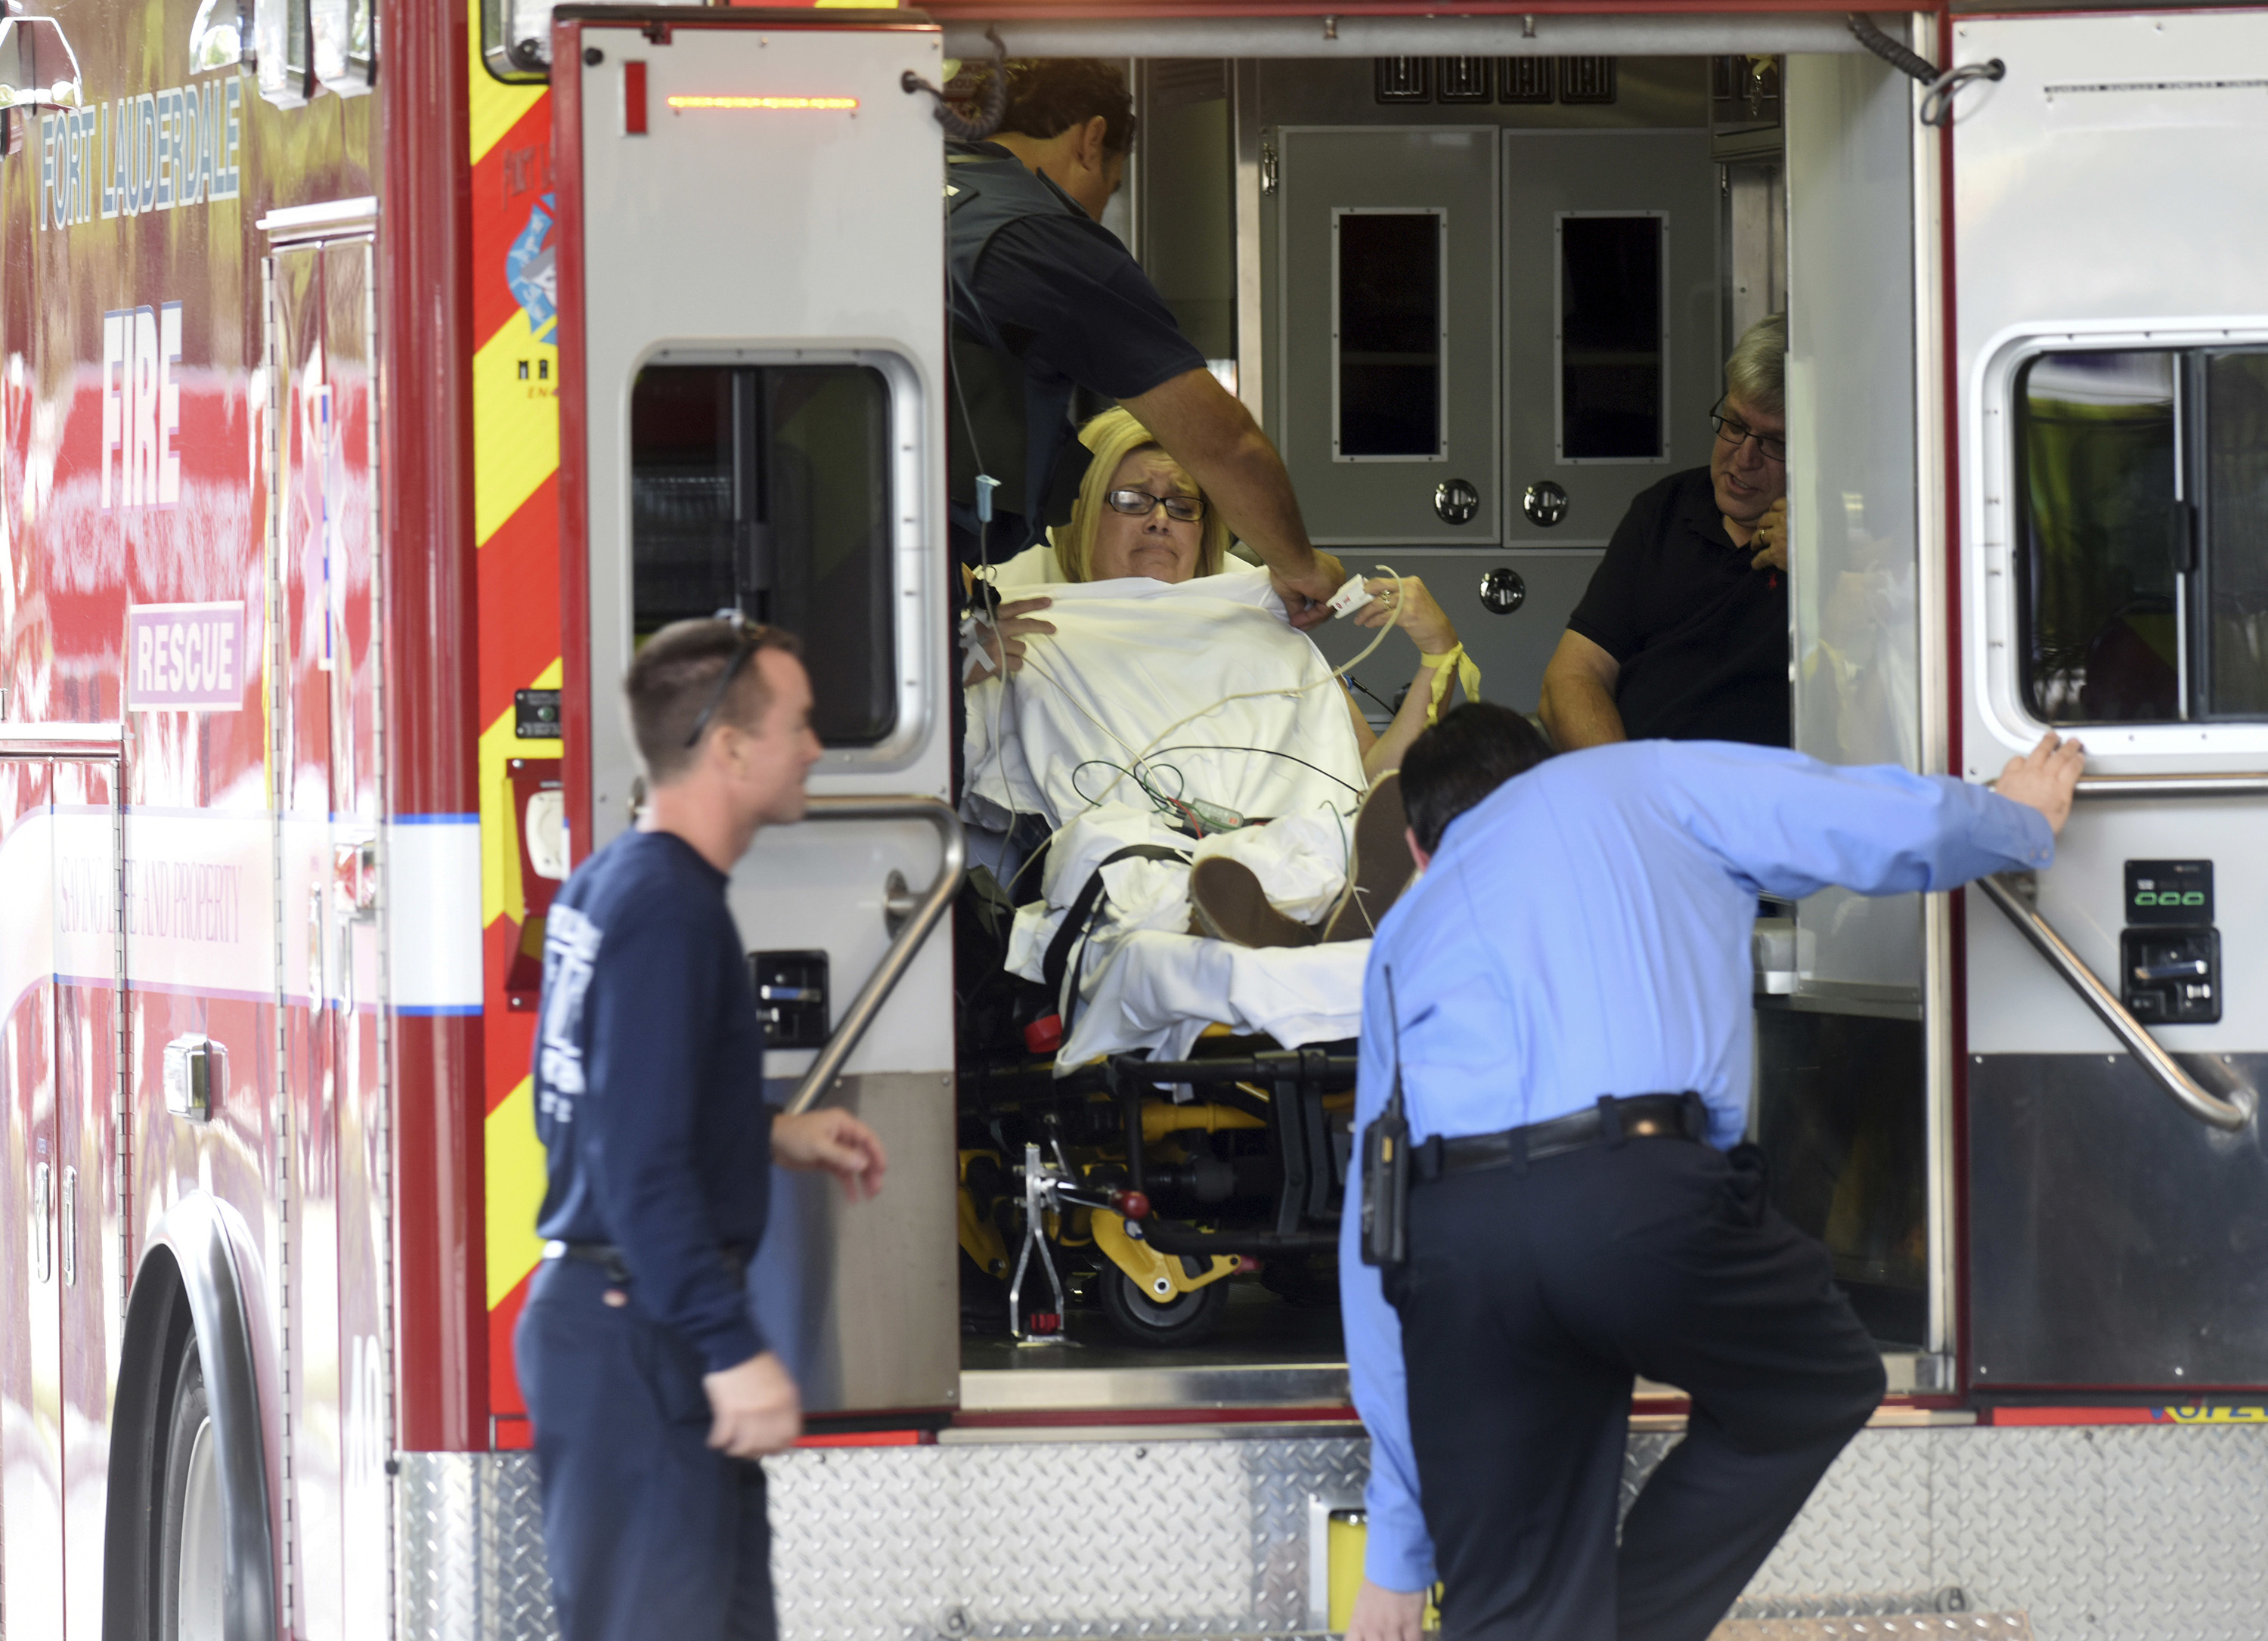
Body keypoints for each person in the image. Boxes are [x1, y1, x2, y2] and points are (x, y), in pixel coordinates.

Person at [1340, 709, 2086, 1641]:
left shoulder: (1408, 927)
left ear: (1417, 846)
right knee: (1813, 1382)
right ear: (1552, 768)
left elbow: (1374, 1238)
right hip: (1637, 1196)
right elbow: (1844, 816)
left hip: (1457, 1243)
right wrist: (2012, 817)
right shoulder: (1643, 779)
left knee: (1517, 1614)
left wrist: (1399, 1550)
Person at [516, 616, 891, 1641]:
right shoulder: (668, 912)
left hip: (627, 1328)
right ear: (729, 746)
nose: (816, 747)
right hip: (645, 1340)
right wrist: (732, 1346)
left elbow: (616, 1094)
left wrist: (769, 1131)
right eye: (799, 725)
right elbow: (636, 1165)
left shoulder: (613, 881)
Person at [945, 59, 1345, 624]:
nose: (1099, 210)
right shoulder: (1047, 239)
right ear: (1092, 139)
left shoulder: (906, 195)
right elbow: (1226, 443)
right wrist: (1300, 567)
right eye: (1109, 187)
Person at [969, 408, 1472, 784]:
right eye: (1132, 499)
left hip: (1296, 866)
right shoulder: (1019, 638)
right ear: (1079, 518)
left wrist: (1438, 654)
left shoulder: (1258, 627)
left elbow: (1374, 789)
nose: (1160, 518)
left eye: (1182, 504)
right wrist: (959, 676)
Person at [1538, 313, 1793, 751]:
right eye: (1734, 425)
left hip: (1762, 804)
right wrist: (1631, 790)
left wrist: (1822, 563)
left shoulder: (1842, 545)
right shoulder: (1666, 509)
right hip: (1638, 788)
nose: (1743, 457)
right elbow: (1571, 677)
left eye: (1773, 443)